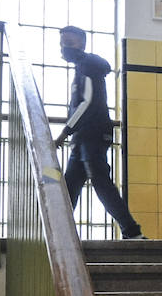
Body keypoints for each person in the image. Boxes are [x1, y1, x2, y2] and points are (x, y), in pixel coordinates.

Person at [53, 26, 145, 239]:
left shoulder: (88, 65)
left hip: (92, 134)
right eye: (61, 43)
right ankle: (59, 234)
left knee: (100, 180)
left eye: (69, 42)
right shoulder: (81, 67)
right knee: (70, 186)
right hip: (82, 137)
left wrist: (64, 132)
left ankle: (132, 231)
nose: (64, 47)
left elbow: (88, 102)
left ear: (82, 43)